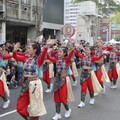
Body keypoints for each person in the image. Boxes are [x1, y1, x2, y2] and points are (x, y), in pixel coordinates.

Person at [13, 42, 48, 120]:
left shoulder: (38, 59)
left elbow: (43, 56)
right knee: (20, 108)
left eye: (29, 48)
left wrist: (46, 47)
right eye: (27, 48)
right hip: (26, 84)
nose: (27, 49)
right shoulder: (26, 58)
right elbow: (15, 56)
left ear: (35, 49)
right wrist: (14, 50)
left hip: (34, 85)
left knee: (35, 108)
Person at [47, 46, 75, 120]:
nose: (58, 53)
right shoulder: (56, 60)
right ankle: (57, 114)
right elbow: (49, 58)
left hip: (64, 81)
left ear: (64, 53)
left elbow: (69, 56)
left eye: (60, 52)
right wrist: (46, 51)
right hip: (57, 80)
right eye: (58, 51)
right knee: (57, 98)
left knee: (63, 97)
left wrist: (72, 49)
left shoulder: (66, 60)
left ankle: (68, 110)